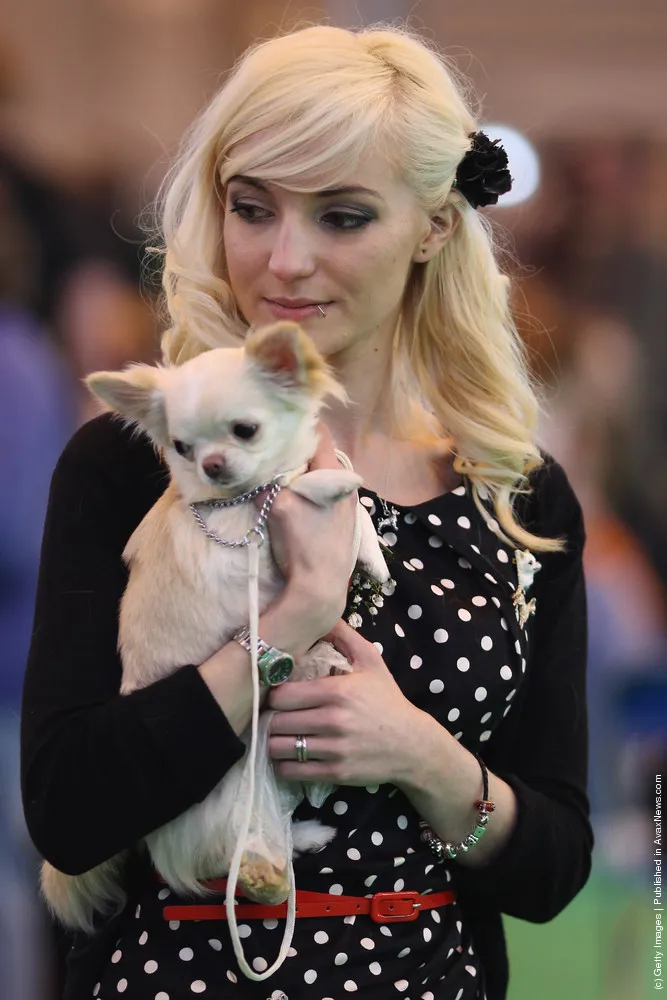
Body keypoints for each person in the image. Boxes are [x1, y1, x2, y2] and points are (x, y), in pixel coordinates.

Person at [20, 22, 593, 1000]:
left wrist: (420, 754)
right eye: (253, 208)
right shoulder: (135, 462)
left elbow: (554, 867)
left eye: (341, 216)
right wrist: (283, 629)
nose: (283, 260)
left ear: (434, 226)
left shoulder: (514, 495)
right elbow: (69, 813)